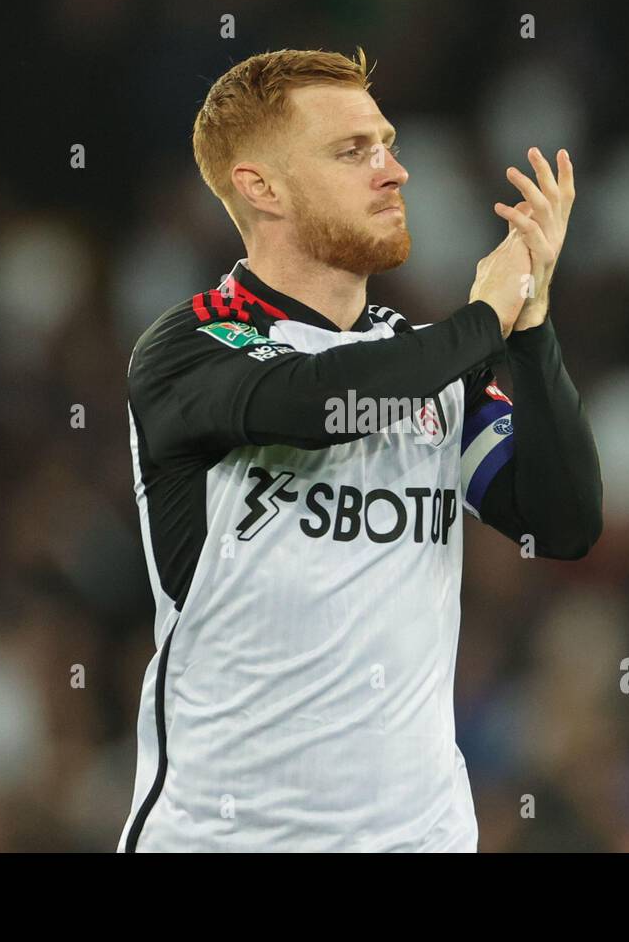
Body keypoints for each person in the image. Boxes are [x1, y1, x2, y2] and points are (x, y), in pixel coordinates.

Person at [120, 47, 602, 852]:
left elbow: (561, 522)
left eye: (388, 144)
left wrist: (532, 327)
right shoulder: (193, 343)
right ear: (260, 186)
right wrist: (483, 320)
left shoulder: (431, 368)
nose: (394, 172)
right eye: (353, 152)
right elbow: (322, 404)